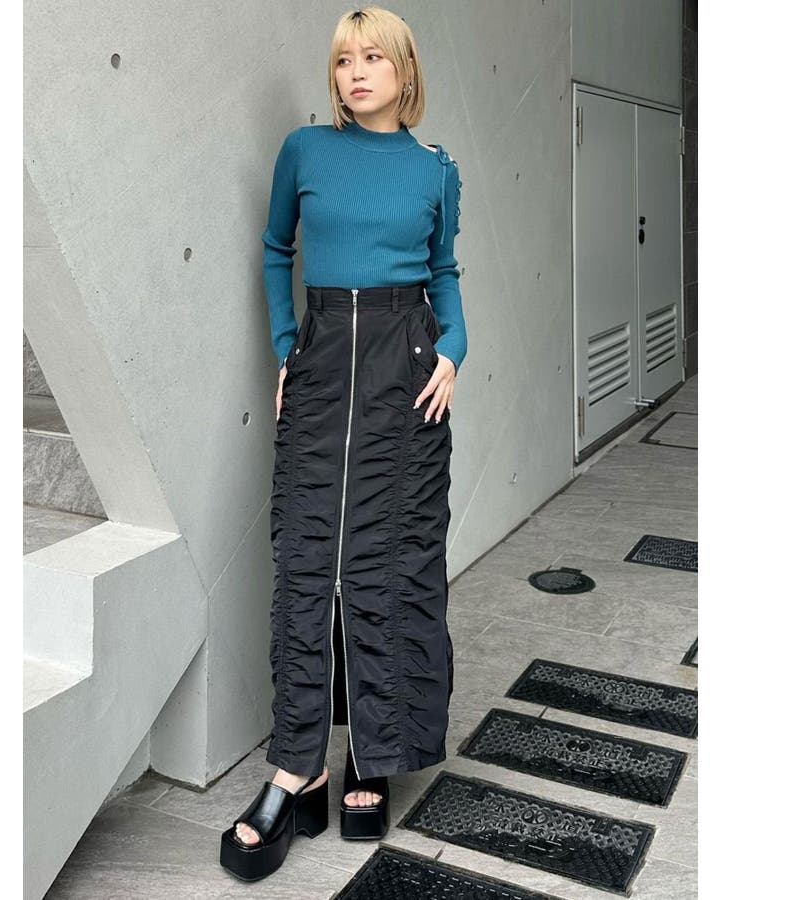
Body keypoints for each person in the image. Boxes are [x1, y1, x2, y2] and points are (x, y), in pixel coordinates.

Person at [220, 6, 468, 882]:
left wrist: (454, 349)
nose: (354, 72)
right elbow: (273, 248)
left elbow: (444, 271)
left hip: (409, 364)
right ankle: (300, 766)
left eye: (371, 58)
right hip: (324, 360)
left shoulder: (436, 170)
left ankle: (371, 752)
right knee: (305, 556)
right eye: (341, 60)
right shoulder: (305, 151)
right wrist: (288, 347)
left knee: (391, 559)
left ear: (404, 69)